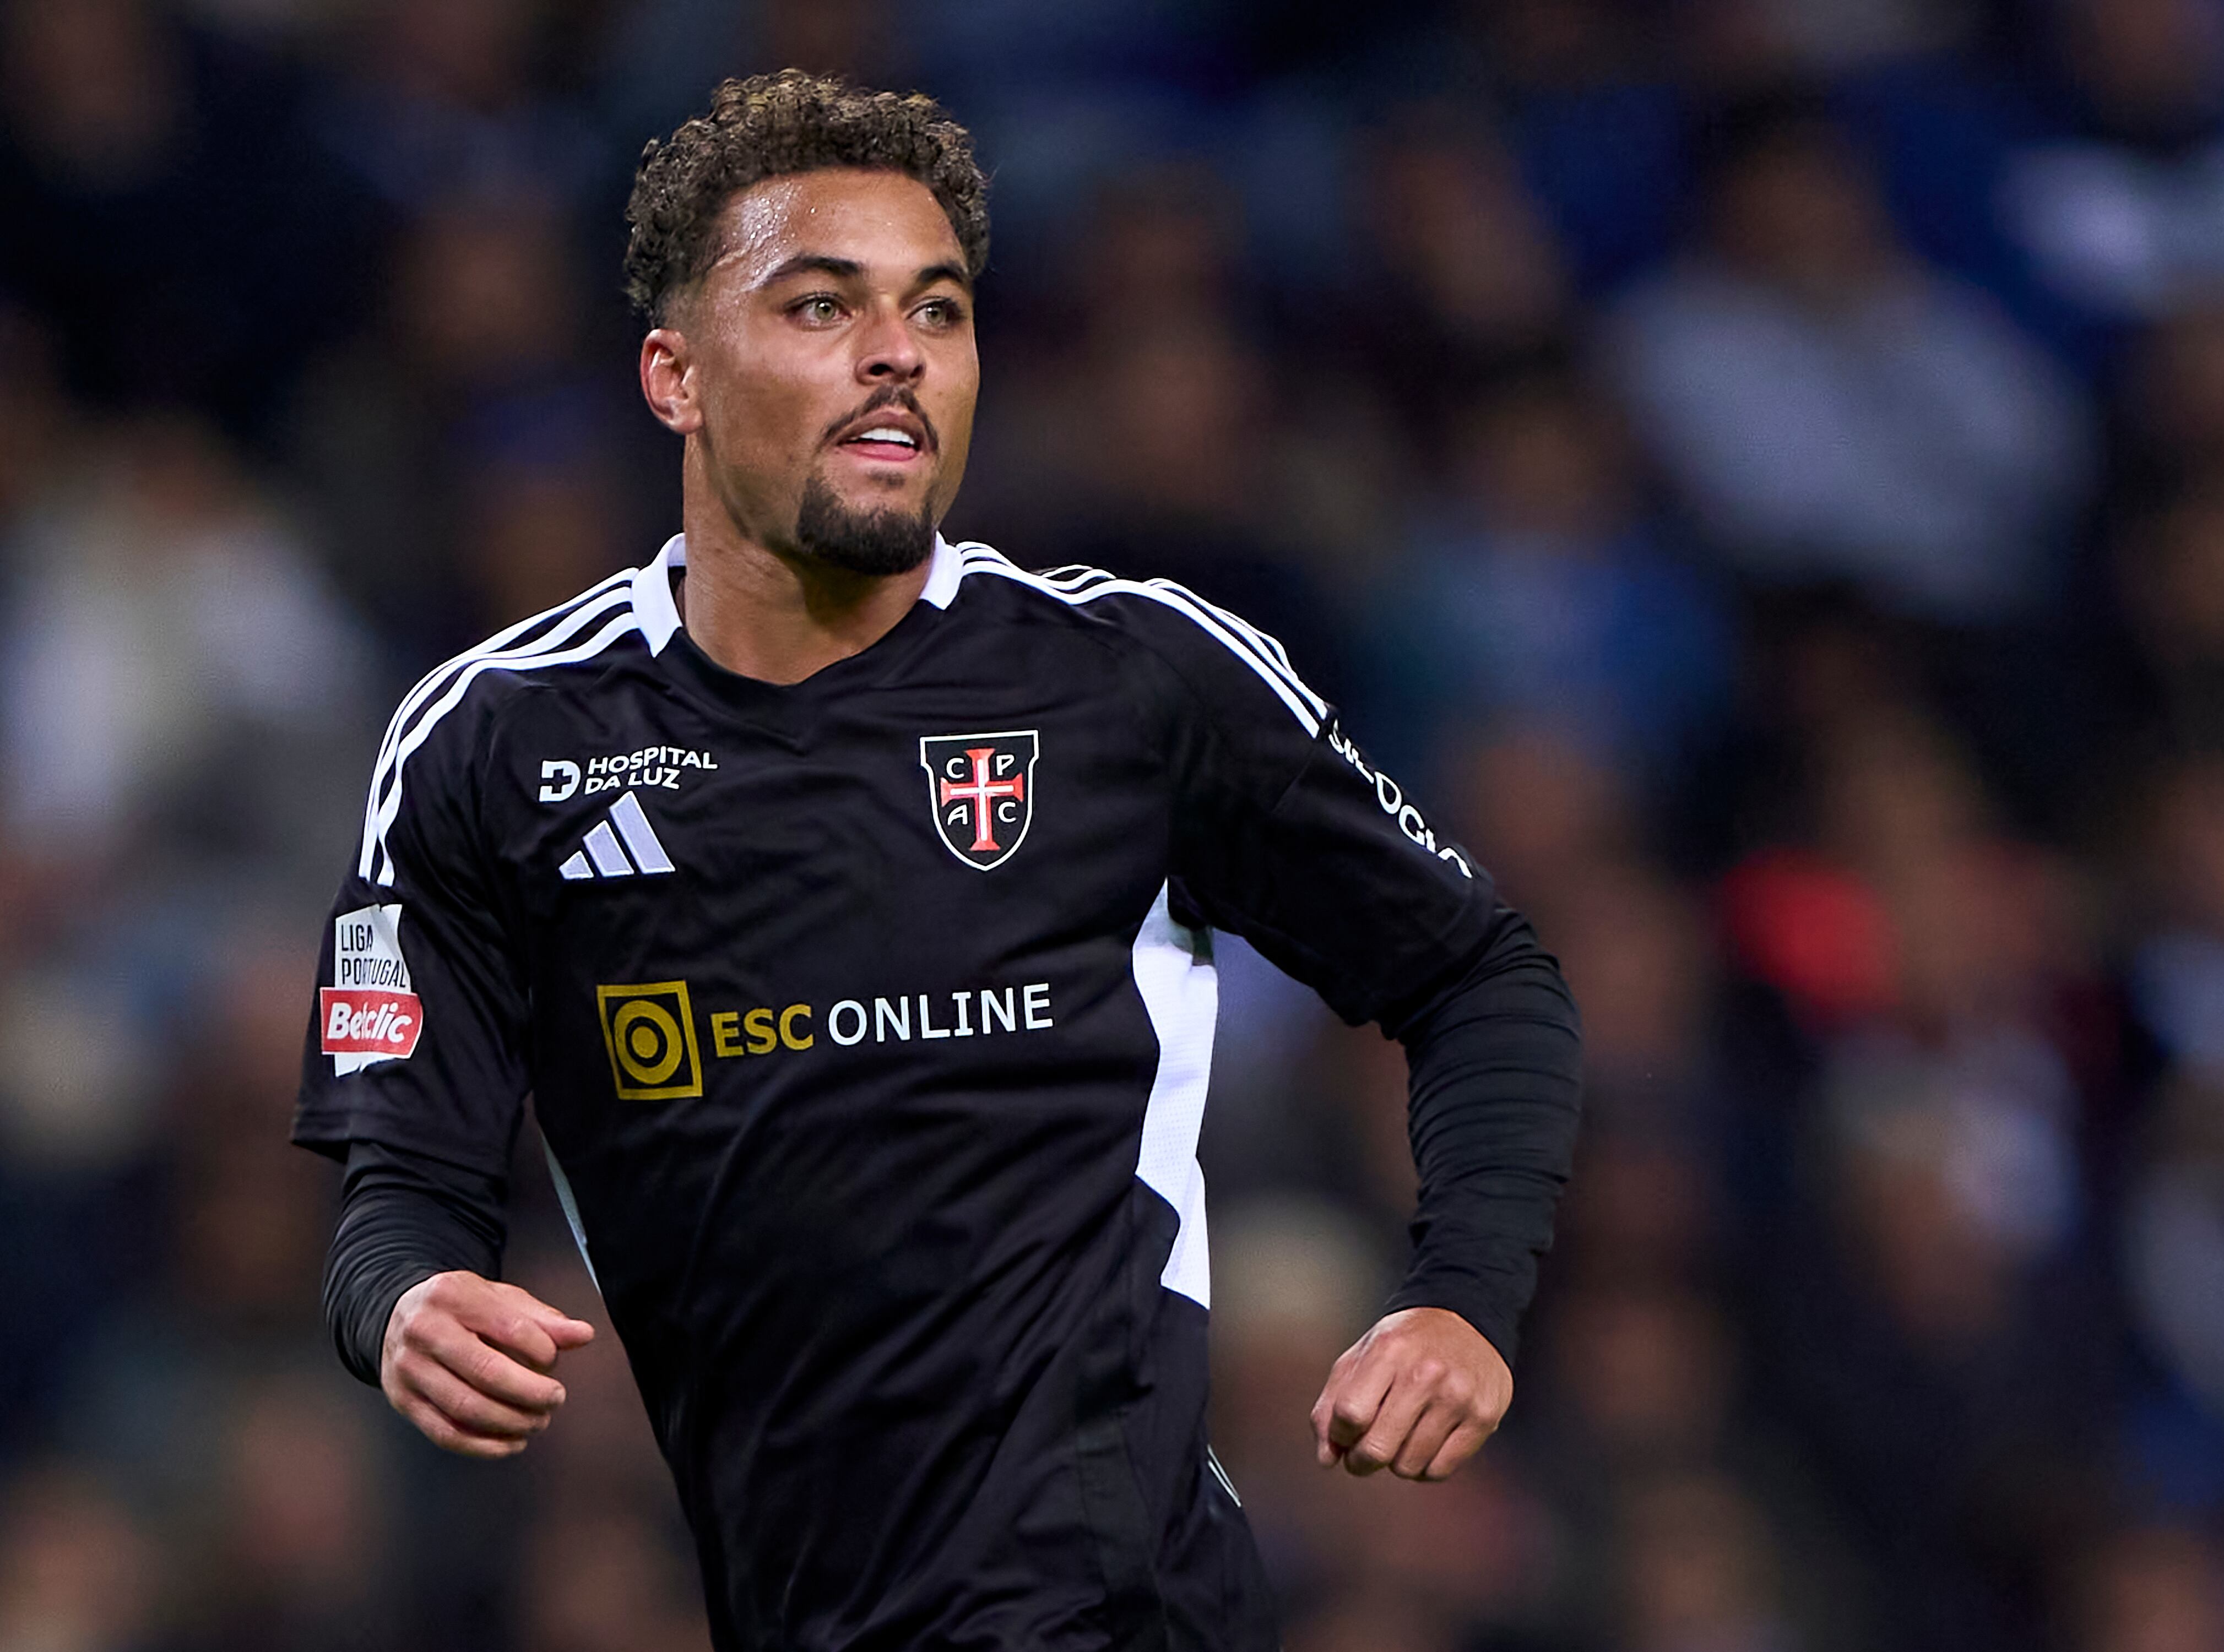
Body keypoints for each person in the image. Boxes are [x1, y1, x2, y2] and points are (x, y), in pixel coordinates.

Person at [292, 71, 1583, 1651]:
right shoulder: (495, 745)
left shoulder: (1131, 679)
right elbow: (397, 1193)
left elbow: (1478, 971)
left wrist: (1461, 1292)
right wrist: (410, 1306)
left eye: (941, 309)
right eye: (821, 305)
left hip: (1136, 1611)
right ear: (673, 374)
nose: (898, 350)